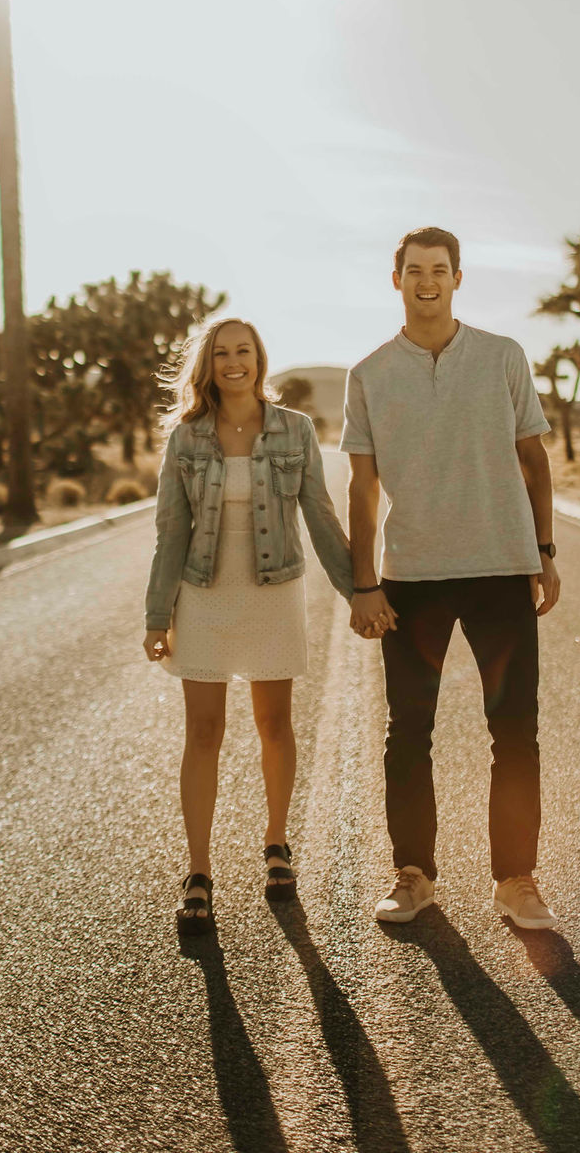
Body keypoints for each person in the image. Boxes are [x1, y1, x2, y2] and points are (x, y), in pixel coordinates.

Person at [341, 226, 561, 929]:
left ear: (458, 278)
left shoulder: (501, 357)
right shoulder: (369, 373)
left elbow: (534, 461)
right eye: (414, 270)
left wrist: (545, 550)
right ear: (396, 279)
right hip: (413, 577)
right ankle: (413, 876)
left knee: (515, 730)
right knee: (409, 730)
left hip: (501, 567)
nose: (426, 281)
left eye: (439, 270)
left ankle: (516, 880)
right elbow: (362, 489)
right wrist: (365, 581)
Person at [143, 318, 352, 934]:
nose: (235, 362)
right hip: (202, 594)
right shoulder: (186, 438)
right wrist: (159, 616)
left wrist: (358, 592)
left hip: (273, 592)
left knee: (275, 723)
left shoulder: (296, 430)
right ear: (206, 365)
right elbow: (170, 531)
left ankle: (277, 844)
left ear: (260, 360)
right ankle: (199, 872)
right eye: (222, 353)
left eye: (245, 352)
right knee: (203, 731)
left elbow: (319, 513)